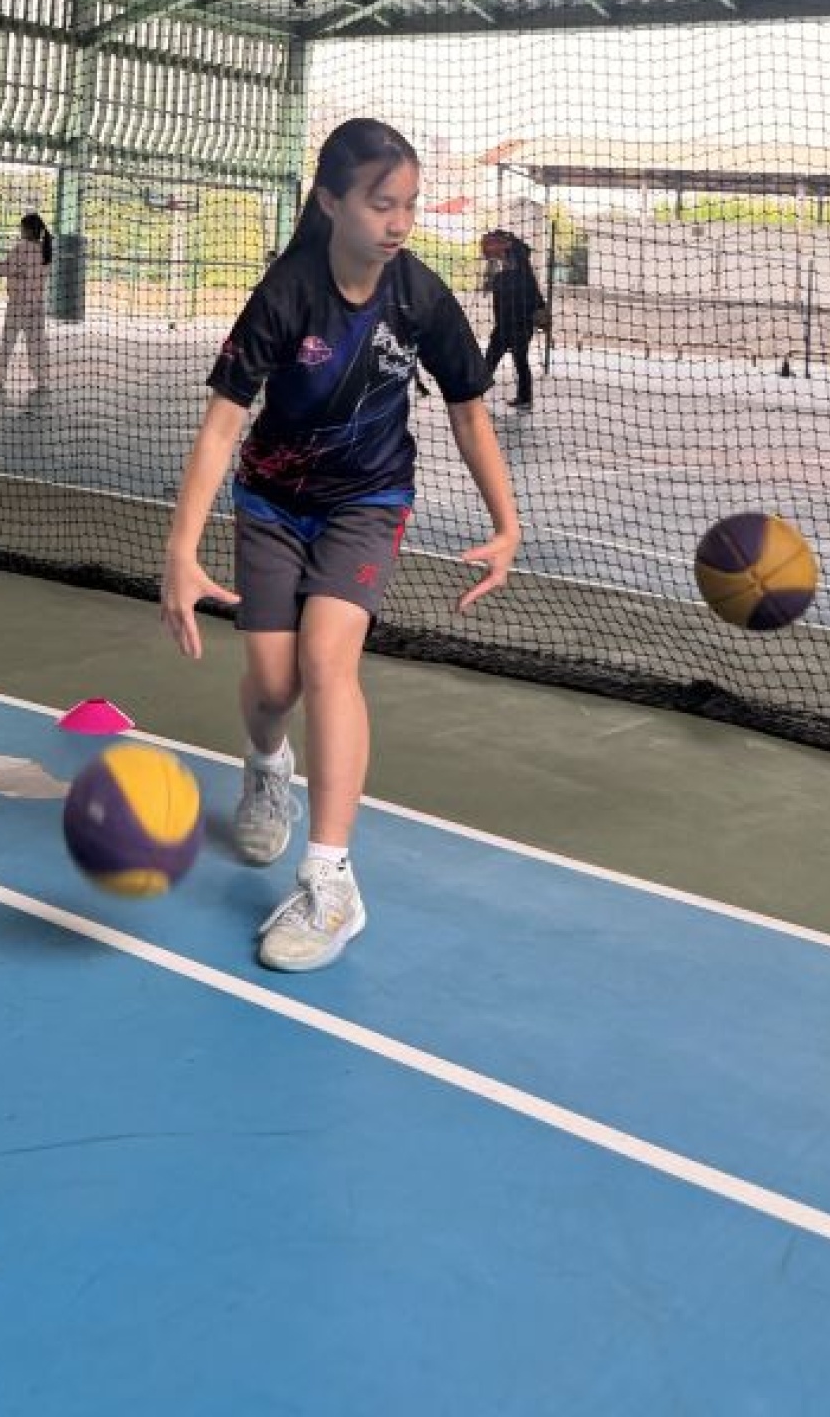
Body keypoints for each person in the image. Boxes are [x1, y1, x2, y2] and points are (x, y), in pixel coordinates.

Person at [159, 119, 519, 974]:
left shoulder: (421, 296)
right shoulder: (287, 294)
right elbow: (221, 427)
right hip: (273, 503)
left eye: (410, 205)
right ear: (330, 202)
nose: (399, 222)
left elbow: (470, 414)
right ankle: (265, 765)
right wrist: (181, 549)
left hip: (369, 501)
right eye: (380, 203)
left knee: (327, 661)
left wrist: (507, 526)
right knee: (273, 685)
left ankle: (330, 881)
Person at [0, 212, 52, 394]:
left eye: (22, 228)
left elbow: (3, 269)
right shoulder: (45, 250)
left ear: (29, 230)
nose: (20, 231)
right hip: (37, 305)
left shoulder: (22, 248)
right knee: (37, 343)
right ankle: (42, 380)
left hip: (18, 305)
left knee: (7, 342)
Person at [483, 230, 545, 410]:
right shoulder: (505, 276)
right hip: (505, 326)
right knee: (493, 360)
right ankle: (522, 398)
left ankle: (524, 398)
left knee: (515, 360)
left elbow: (521, 249)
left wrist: (506, 239)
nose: (504, 259)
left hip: (518, 326)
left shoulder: (522, 274)